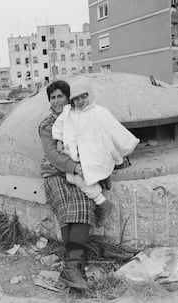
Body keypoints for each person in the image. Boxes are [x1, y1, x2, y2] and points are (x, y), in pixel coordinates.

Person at [38, 80, 98, 290]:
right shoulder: (47, 125)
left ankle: (72, 267)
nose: (56, 101)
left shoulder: (79, 117)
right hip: (55, 173)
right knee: (66, 209)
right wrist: (75, 167)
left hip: (80, 173)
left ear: (68, 98)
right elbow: (52, 155)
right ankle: (74, 267)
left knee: (83, 205)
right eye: (52, 97)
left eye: (59, 96)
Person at [51, 76, 139, 218]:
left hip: (97, 152)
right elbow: (58, 126)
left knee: (91, 171)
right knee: (72, 177)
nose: (80, 102)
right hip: (78, 155)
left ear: (89, 95)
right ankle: (102, 198)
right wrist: (59, 140)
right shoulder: (68, 112)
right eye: (76, 99)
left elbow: (114, 129)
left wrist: (124, 147)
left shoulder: (99, 112)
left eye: (83, 97)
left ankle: (101, 194)